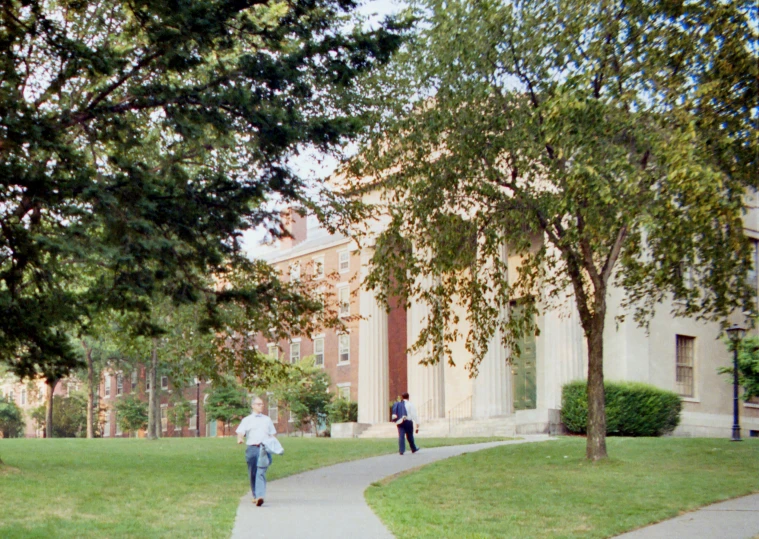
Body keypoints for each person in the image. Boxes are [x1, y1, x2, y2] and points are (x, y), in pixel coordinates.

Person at [236, 396, 277, 507]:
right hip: (252, 448)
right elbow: (240, 431)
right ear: (253, 406)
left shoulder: (267, 420)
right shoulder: (247, 420)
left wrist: (274, 444)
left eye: (262, 404)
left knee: (261, 472)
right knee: (253, 472)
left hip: (264, 448)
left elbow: (272, 434)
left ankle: (260, 496)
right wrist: (240, 438)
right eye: (259, 404)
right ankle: (255, 495)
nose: (261, 406)